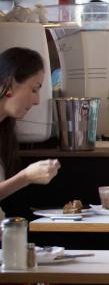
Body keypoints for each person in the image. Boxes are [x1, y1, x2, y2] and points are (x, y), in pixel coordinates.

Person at [0, 48, 59, 202]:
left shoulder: (5, 132)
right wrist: (25, 177)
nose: (37, 101)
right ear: (9, 83)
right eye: (34, 90)